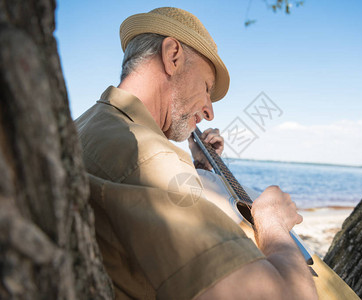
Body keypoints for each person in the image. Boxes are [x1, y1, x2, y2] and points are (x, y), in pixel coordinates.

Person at [75, 7, 317, 300]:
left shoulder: (86, 126)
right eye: (206, 87)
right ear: (172, 56)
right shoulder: (150, 158)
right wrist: (272, 223)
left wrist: (198, 169)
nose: (209, 110)